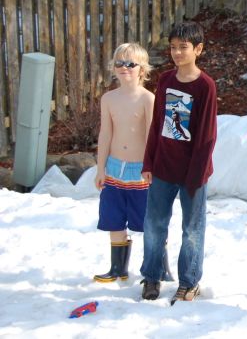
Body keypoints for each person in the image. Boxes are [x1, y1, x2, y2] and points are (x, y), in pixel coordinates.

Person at [139, 22, 217, 305]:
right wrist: (149, 162)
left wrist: (195, 177)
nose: (177, 53)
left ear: (198, 49)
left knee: (192, 230)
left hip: (193, 173)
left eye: (183, 47)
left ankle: (189, 282)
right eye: (173, 47)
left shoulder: (205, 86)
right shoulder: (165, 80)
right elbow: (157, 124)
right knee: (154, 225)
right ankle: (151, 276)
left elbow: (207, 136)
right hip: (163, 168)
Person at [94, 43, 169, 282]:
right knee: (113, 217)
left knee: (148, 221)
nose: (124, 67)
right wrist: (100, 168)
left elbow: (151, 136)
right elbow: (105, 134)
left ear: (142, 69)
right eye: (119, 63)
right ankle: (118, 268)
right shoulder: (108, 99)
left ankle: (159, 267)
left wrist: (151, 167)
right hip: (115, 169)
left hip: (141, 171)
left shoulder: (148, 98)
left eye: (130, 64)